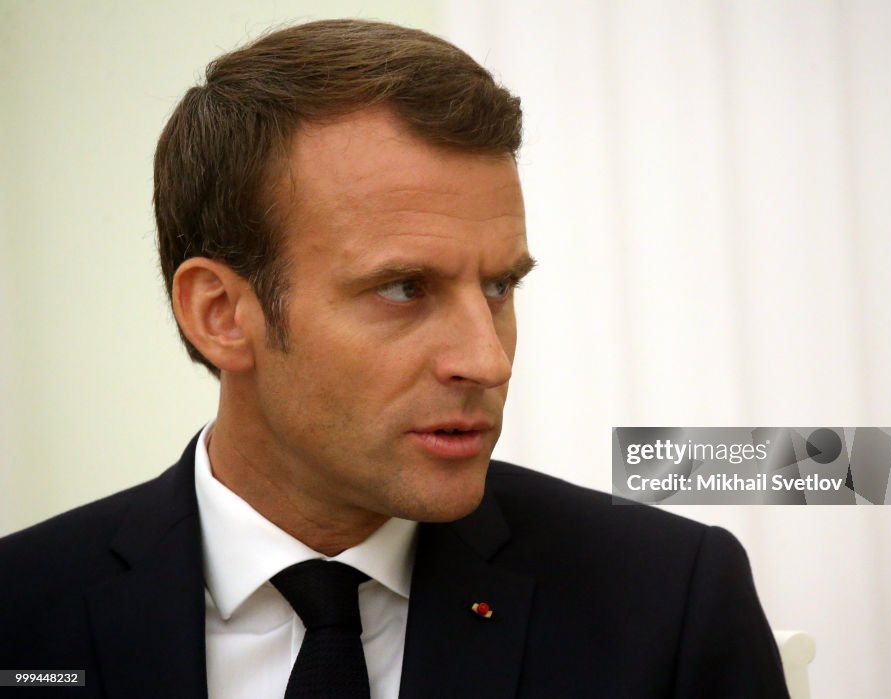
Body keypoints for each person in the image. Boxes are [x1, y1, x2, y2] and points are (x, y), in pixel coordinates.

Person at [0, 19, 788, 698]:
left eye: (500, 286)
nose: (487, 359)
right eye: (405, 288)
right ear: (221, 314)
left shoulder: (667, 600)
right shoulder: (24, 612)